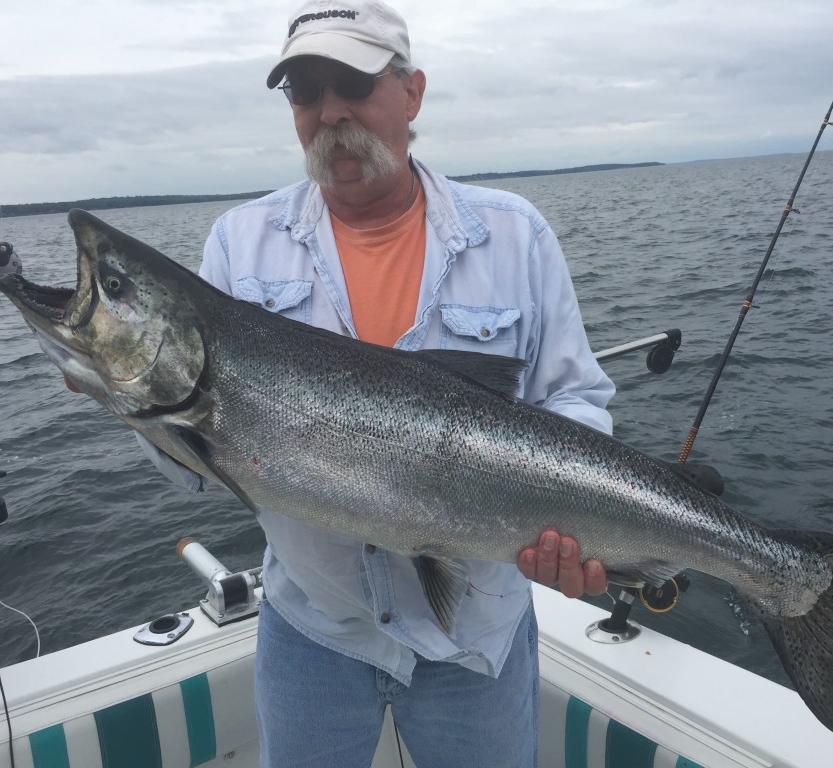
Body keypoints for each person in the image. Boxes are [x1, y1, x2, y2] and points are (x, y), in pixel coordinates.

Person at [137, 1, 613, 765]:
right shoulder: (240, 241)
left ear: (412, 92)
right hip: (313, 629)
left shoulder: (513, 233)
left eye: (351, 84)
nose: (329, 112)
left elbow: (576, 404)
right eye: (304, 92)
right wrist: (132, 399)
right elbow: (196, 468)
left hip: (476, 634)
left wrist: (577, 530)